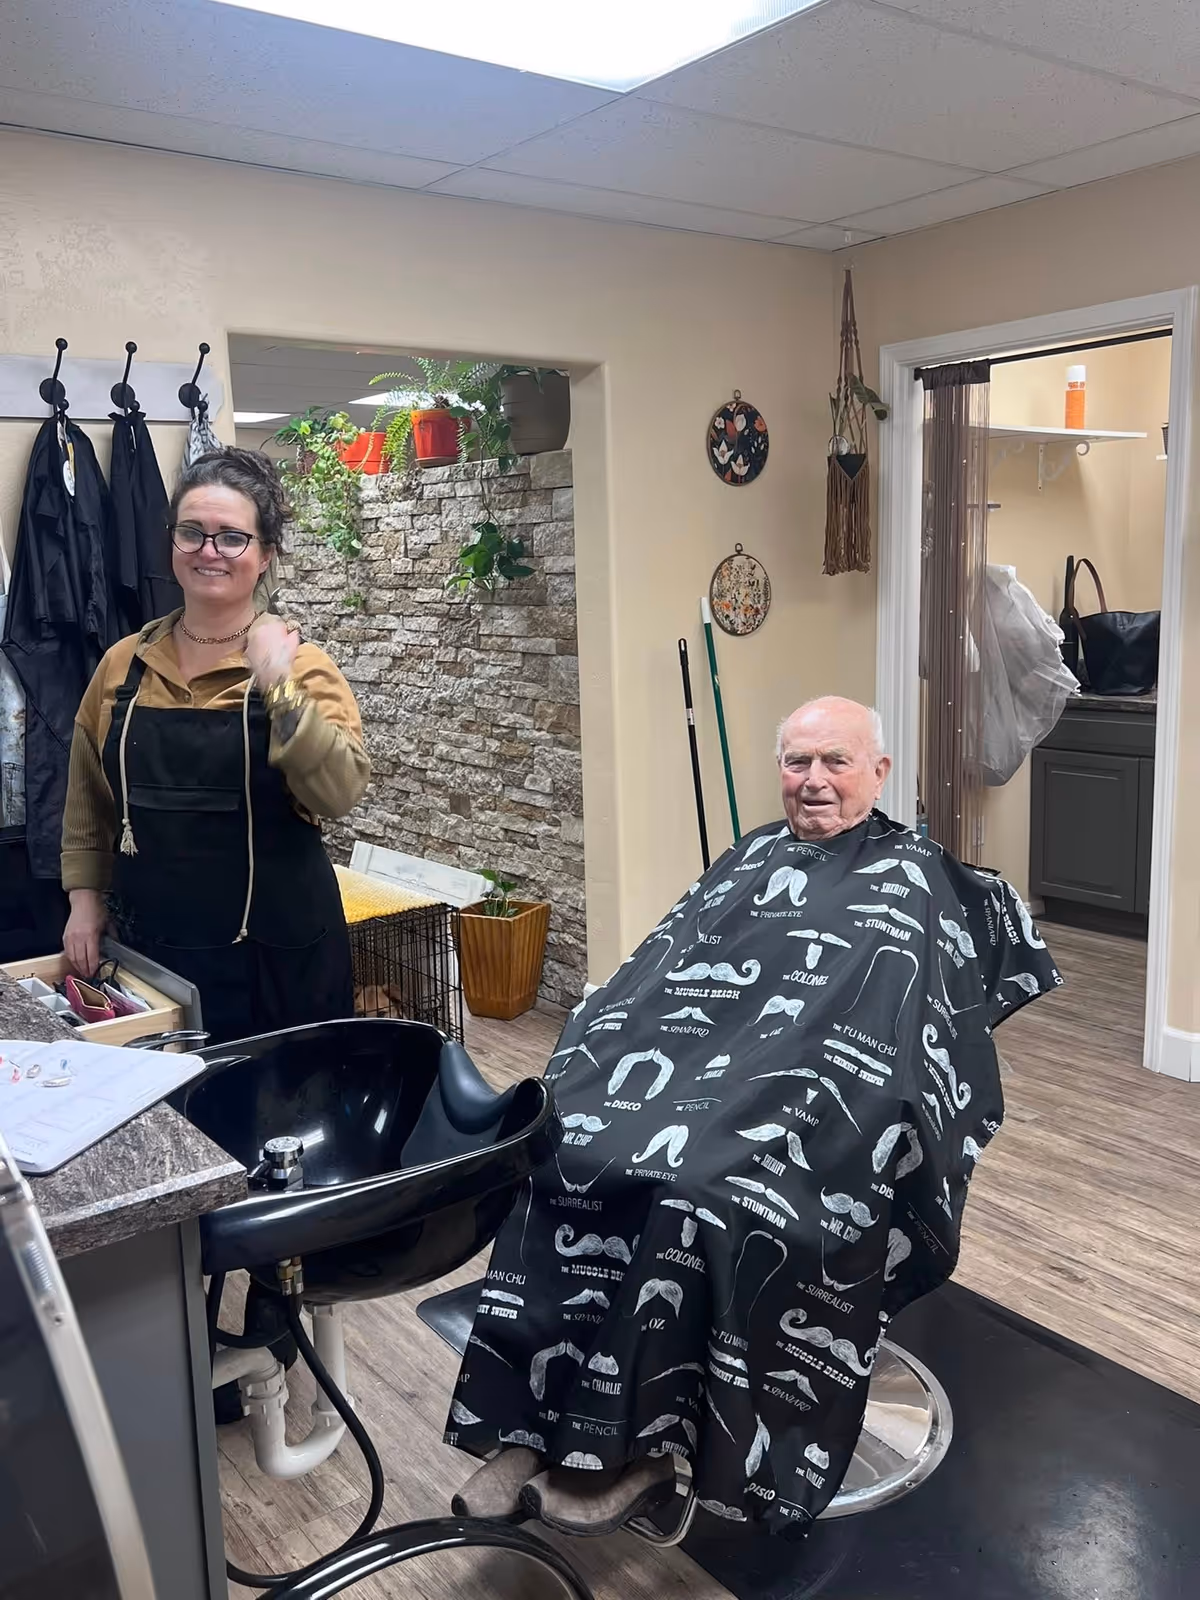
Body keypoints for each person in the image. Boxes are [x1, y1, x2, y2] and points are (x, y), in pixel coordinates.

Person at [445, 697, 1061, 1537]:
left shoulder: (911, 880)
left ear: (879, 774)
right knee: (567, 1146)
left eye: (835, 762)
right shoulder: (750, 857)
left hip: (818, 1113)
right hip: (708, 1081)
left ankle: (649, 1446)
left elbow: (907, 1046)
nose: (813, 782)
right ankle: (538, 1423)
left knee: (696, 1189)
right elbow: (652, 985)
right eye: (797, 762)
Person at [60, 448, 370, 1045]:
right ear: (172, 543)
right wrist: (83, 899)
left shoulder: (302, 667)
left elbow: (338, 792)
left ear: (265, 555)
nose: (209, 551)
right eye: (193, 533)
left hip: (278, 961)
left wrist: (278, 686)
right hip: (155, 955)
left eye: (232, 537)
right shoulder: (122, 665)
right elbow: (87, 799)